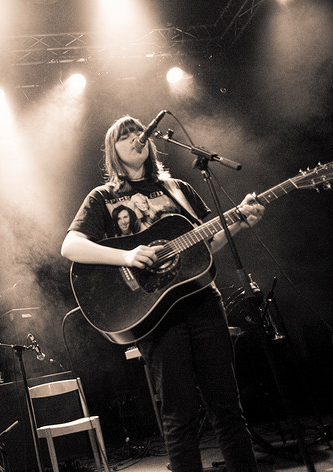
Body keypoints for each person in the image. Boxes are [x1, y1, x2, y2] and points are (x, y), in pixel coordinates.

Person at [61, 115, 264, 472]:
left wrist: (238, 222)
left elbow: (205, 246)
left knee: (228, 408)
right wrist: (126, 255)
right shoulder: (103, 198)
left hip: (203, 303)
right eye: (124, 136)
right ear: (113, 151)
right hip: (155, 316)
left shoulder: (179, 189)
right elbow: (71, 246)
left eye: (139, 132)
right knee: (179, 416)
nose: (135, 138)